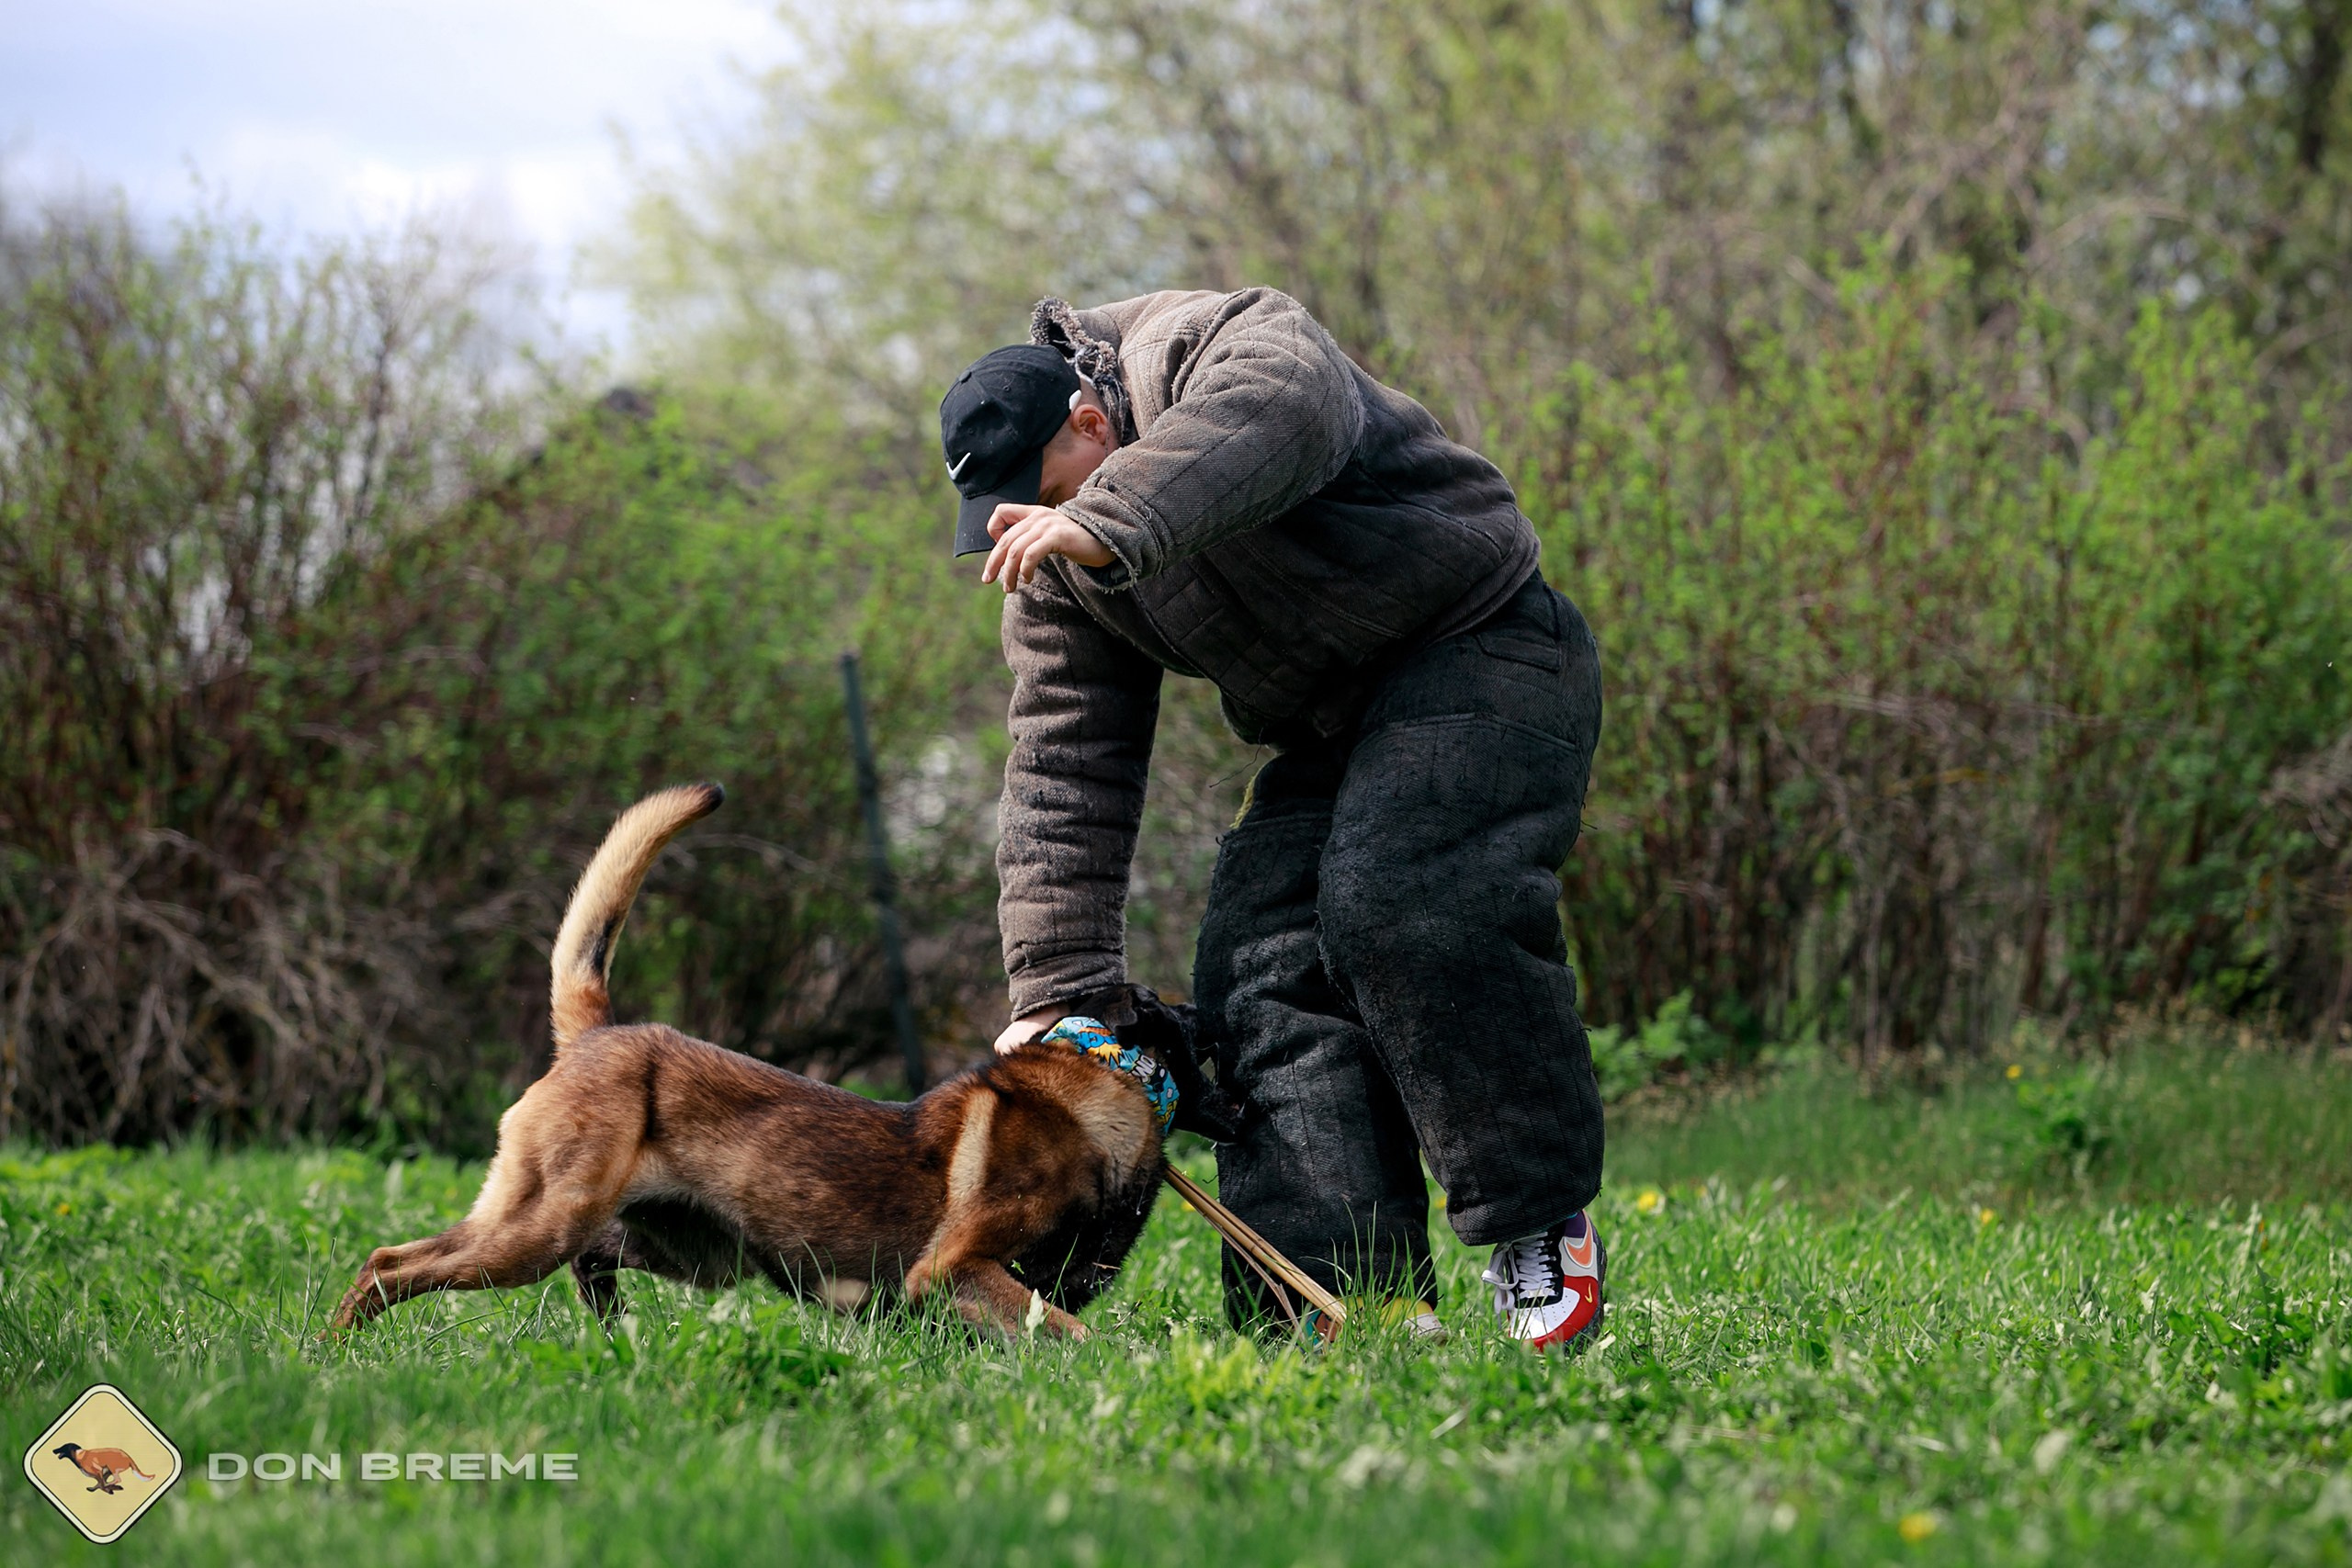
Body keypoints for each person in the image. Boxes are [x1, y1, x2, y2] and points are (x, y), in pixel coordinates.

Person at [938, 289, 1606, 1348]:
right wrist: (1056, 992)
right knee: (1255, 972)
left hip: (1486, 646)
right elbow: (1066, 766)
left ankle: (1534, 1223)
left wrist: (1103, 518)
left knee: (1402, 899)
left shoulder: (1208, 343)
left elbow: (1283, 412)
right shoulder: (1056, 558)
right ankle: (1338, 1303)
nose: (1036, 532)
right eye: (1014, 517)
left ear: (1092, 422)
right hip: (1330, 727)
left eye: (1046, 495)